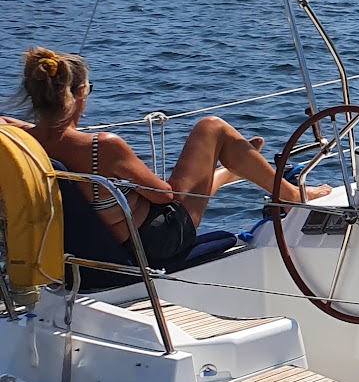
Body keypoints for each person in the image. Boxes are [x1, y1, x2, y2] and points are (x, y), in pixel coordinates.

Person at [7, 47, 330, 268]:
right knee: (211, 128)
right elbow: (166, 195)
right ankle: (287, 194)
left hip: (93, 246)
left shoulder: (19, 142)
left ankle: (229, 170)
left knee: (192, 174)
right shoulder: (103, 146)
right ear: (79, 94)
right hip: (156, 243)